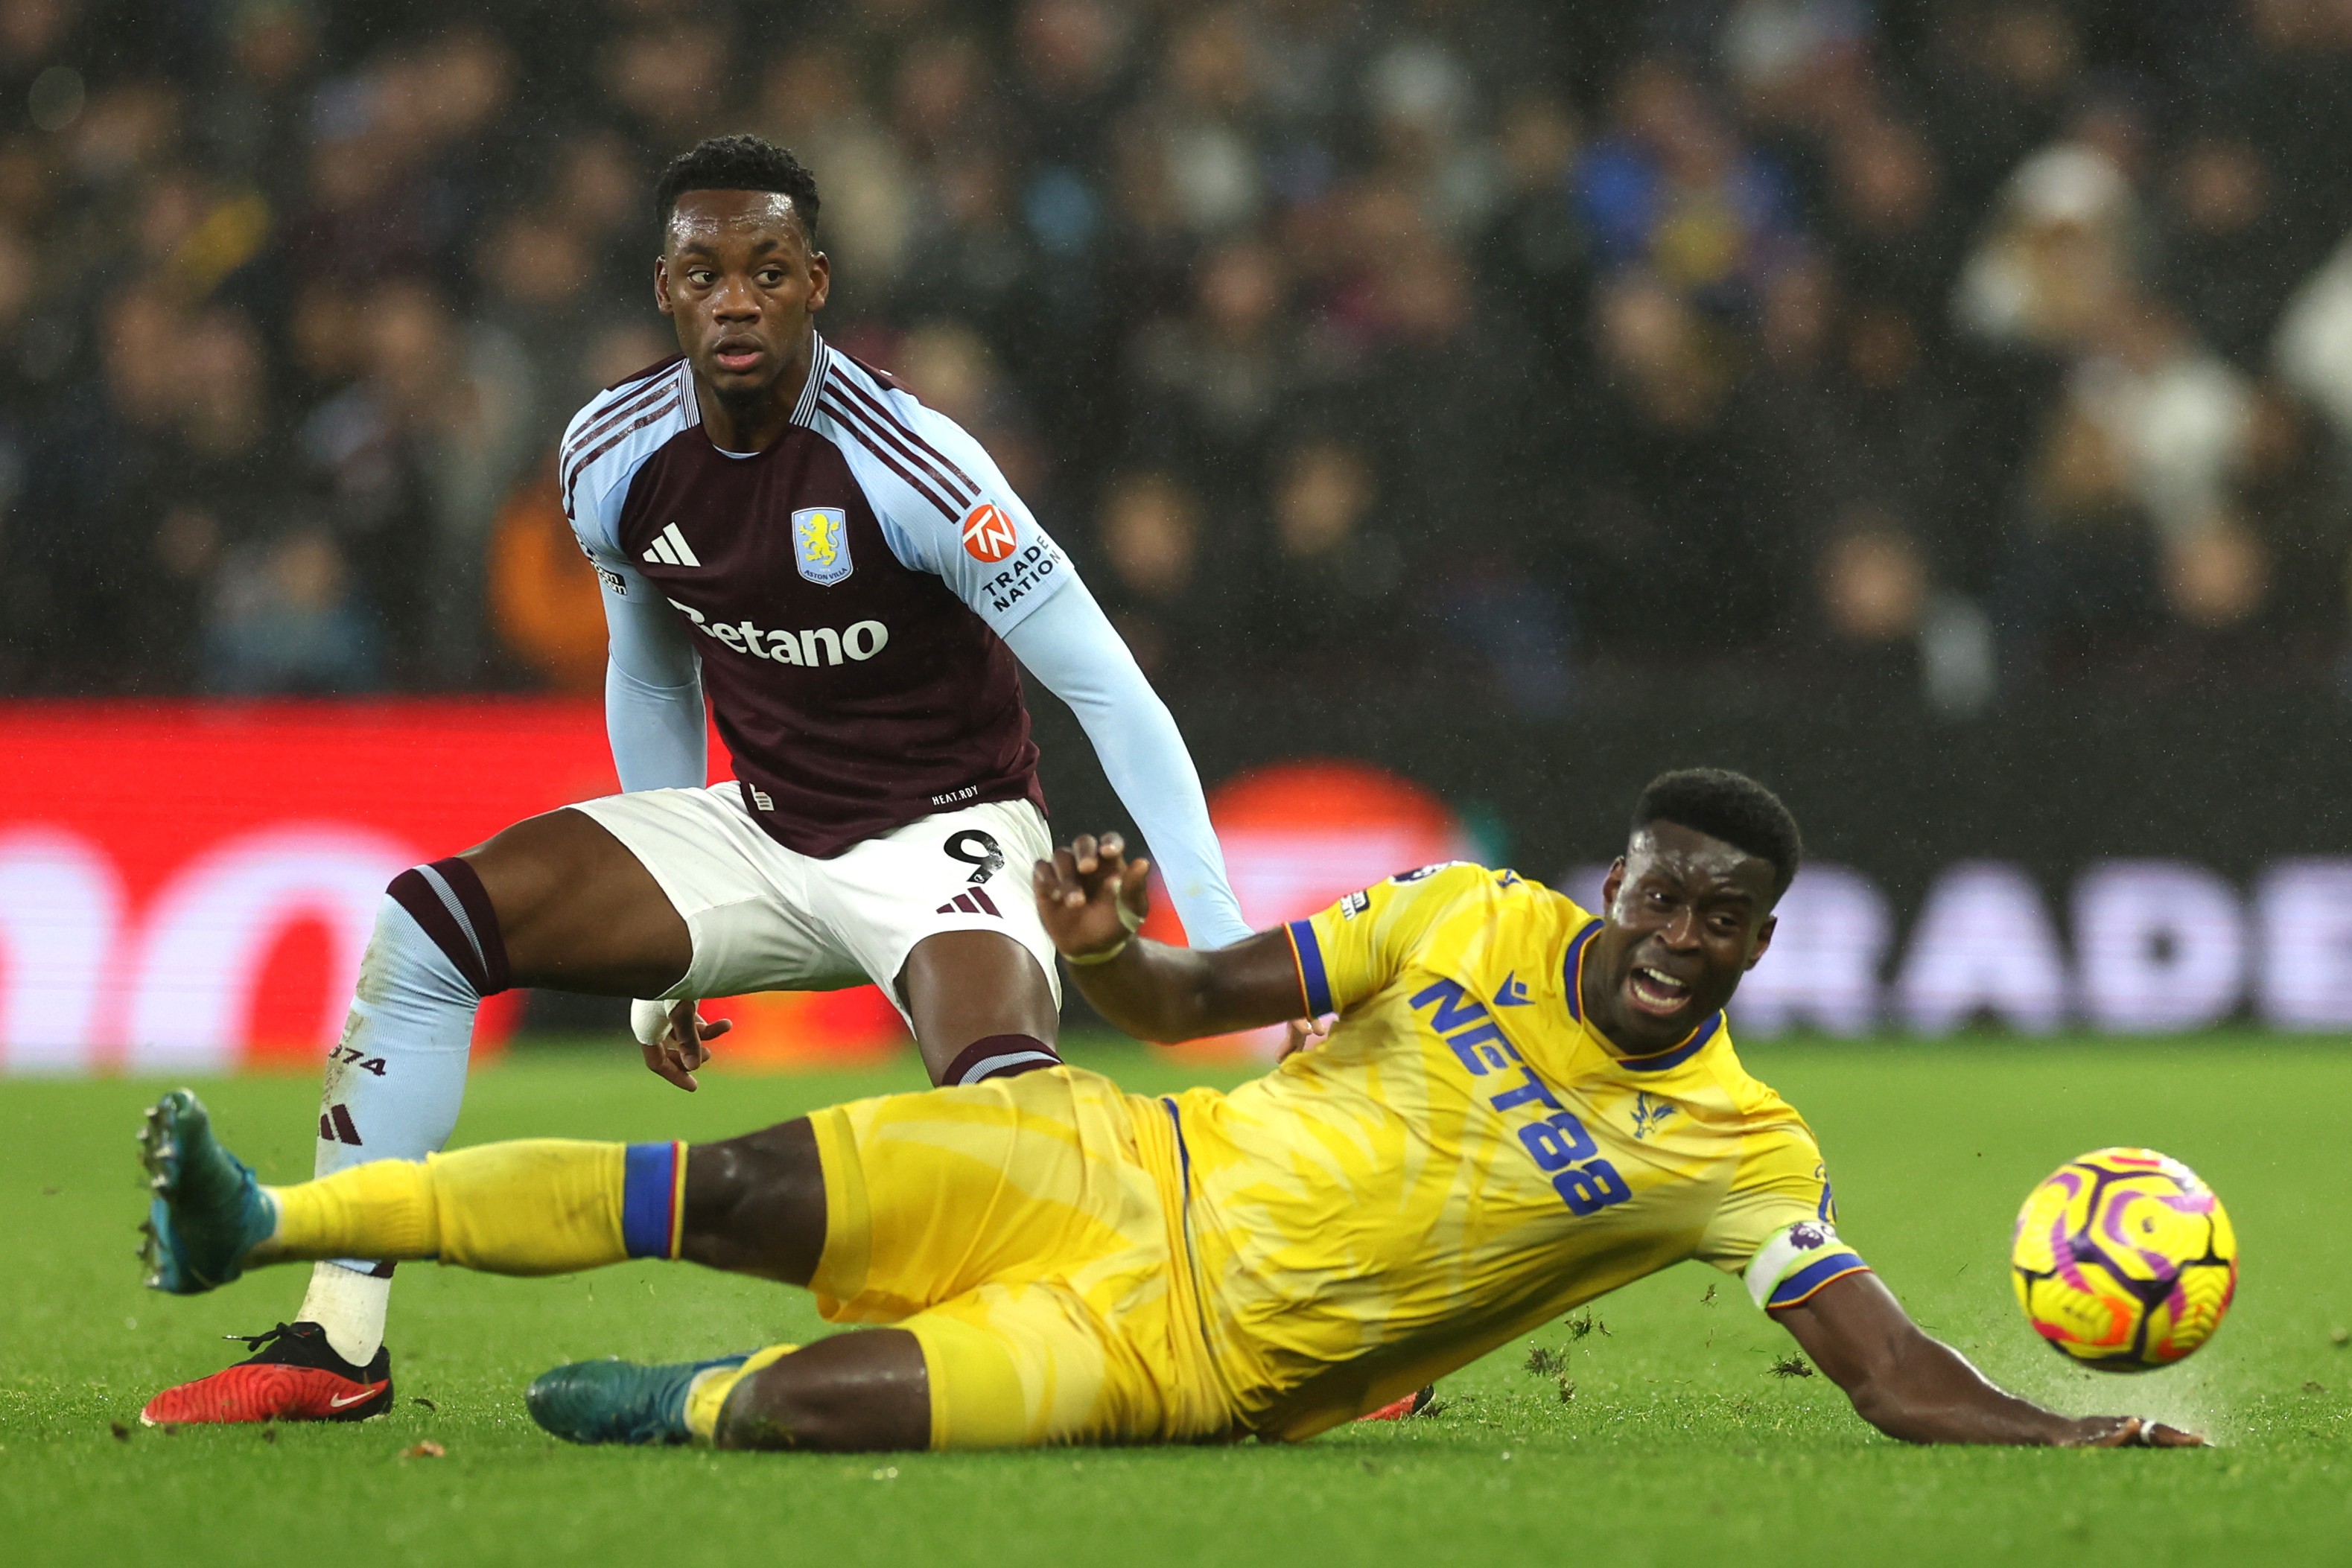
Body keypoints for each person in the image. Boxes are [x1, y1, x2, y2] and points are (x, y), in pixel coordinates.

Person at [138, 134, 1253, 1427]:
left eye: (768, 270)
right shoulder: (608, 453)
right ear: (663, 289)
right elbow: (654, 674)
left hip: (948, 833)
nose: (737, 298)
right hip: (763, 829)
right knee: (425, 923)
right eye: (705, 272)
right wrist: (668, 960)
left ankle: (1231, 1309)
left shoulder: (915, 465)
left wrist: (1219, 934)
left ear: (816, 283)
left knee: (1009, 1116)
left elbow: (1109, 687)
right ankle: (338, 1345)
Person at [136, 770, 2200, 1451]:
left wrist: (2067, 1424)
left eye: (1719, 920)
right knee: (697, 1179)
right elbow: (1197, 999)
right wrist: (1104, 946)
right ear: (1609, 884)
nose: (1677, 935)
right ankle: (275, 1229)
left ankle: (678, 1406)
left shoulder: (1735, 1158)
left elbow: (1881, 1369)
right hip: (1112, 1150)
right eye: (1659, 893)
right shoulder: (1461, 918)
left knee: (799, 1412)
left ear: (1757, 947)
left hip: (1174, 1351)